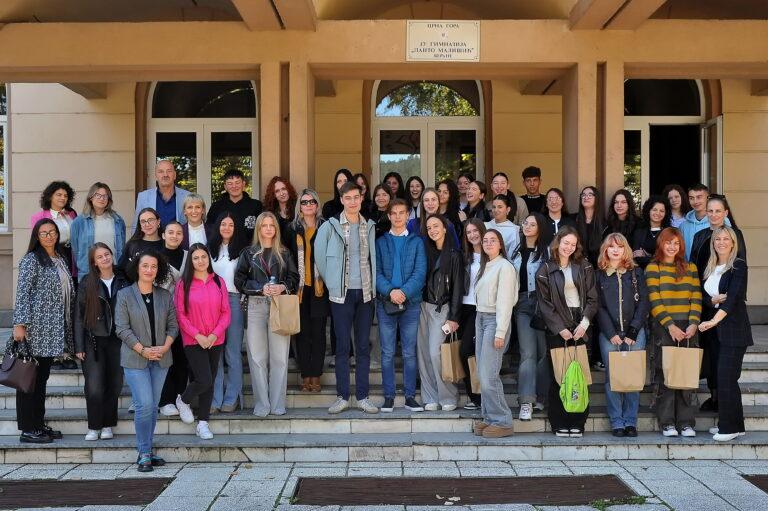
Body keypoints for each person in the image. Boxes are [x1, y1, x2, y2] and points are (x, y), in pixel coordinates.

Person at [315, 182, 379, 414]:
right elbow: (319, 258)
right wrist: (332, 283)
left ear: (361, 199)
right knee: (342, 347)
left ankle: (362, 396)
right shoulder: (330, 226)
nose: (352, 201)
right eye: (348, 198)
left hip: (365, 293)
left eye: (356, 197)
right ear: (341, 200)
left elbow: (373, 259)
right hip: (340, 295)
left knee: (362, 347)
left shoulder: (369, 226)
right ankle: (342, 396)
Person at [11, 219, 74, 443]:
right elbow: (22, 293)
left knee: (42, 379)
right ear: (37, 237)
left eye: (51, 232)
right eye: (43, 233)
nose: (48, 236)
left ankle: (38, 423)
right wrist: (19, 324)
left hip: (53, 330)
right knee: (28, 380)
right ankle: (28, 428)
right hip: (35, 329)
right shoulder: (32, 260)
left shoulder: (60, 259)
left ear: (57, 234)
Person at [115, 251, 177, 472]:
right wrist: (143, 350)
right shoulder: (124, 295)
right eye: (145, 266)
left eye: (153, 266)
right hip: (135, 359)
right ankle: (143, 452)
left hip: (161, 358)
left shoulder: (164, 295)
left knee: (152, 409)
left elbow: (173, 325)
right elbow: (121, 328)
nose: (149, 270)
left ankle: (147, 450)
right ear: (137, 268)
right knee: (145, 406)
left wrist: (165, 346)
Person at [235, 212, 299, 417]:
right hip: (255, 306)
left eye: (272, 225)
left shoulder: (284, 253)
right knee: (257, 357)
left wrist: (282, 286)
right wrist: (260, 288)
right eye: (265, 225)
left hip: (279, 305)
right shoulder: (248, 253)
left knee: (280, 357)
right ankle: (262, 403)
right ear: (259, 229)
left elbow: (294, 278)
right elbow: (240, 280)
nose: (269, 228)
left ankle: (277, 403)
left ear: (276, 229)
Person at [536, 226, 598, 437]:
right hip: (557, 326)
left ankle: (578, 422)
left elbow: (592, 297)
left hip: (580, 324)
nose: (569, 248)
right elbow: (544, 304)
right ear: (558, 242)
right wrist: (559, 328)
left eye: (573, 244)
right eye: (566, 243)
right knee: (559, 375)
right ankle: (559, 422)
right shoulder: (545, 269)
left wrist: (584, 324)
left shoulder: (584, 266)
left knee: (580, 375)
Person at [646, 227, 702, 438]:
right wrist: (670, 325)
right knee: (666, 374)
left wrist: (693, 323)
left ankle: (686, 422)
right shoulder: (653, 267)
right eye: (668, 242)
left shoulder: (691, 268)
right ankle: (667, 422)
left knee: (686, 375)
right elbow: (654, 299)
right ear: (661, 243)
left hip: (688, 327)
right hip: (664, 327)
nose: (672, 246)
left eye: (676, 243)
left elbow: (696, 297)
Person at [698, 226, 753, 442]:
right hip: (716, 334)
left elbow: (732, 300)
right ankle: (734, 424)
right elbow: (704, 296)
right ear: (713, 243)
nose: (721, 242)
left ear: (733, 242)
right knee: (725, 380)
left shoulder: (738, 266)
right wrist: (712, 300)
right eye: (717, 238)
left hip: (733, 331)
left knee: (726, 379)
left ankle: (728, 428)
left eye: (725, 239)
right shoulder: (712, 266)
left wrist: (712, 320)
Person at [692, 197, 747, 412]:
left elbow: (738, 272)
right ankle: (714, 395)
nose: (714, 214)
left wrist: (727, 297)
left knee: (725, 359)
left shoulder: (735, 236)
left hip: (727, 309)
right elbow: (696, 272)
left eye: (718, 211)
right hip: (707, 304)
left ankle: (724, 404)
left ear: (725, 212)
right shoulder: (700, 236)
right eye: (710, 211)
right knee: (711, 354)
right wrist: (706, 300)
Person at [174, 243, 231, 439]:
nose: (200, 261)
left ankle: (203, 423)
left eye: (203, 257)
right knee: (204, 378)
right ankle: (183, 400)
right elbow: (180, 314)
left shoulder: (218, 282)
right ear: (191, 261)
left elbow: (226, 312)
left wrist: (214, 334)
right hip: (193, 339)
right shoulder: (184, 284)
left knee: (210, 381)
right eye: (196, 258)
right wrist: (198, 335)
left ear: (209, 258)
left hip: (215, 339)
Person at [596, 233, 651, 438]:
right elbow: (598, 307)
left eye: (620, 246)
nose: (616, 250)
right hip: (610, 336)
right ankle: (616, 421)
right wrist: (611, 333)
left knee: (632, 378)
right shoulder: (599, 274)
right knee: (613, 379)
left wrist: (634, 331)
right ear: (606, 250)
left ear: (625, 249)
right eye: (611, 246)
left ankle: (630, 421)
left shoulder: (636, 272)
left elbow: (644, 303)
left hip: (634, 335)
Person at [74, 243, 130, 441]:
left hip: (118, 339)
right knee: (95, 386)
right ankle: (94, 426)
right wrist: (79, 346)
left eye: (107, 254)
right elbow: (79, 316)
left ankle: (107, 425)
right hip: (93, 340)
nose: (105, 258)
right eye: (100, 257)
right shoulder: (87, 282)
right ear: (94, 262)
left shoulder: (123, 279)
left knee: (114, 384)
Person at [375, 199, 427, 412]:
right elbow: (375, 271)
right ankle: (388, 396)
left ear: (408, 216)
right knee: (387, 352)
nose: (397, 216)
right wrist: (391, 291)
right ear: (389, 216)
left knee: (409, 352)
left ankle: (409, 396)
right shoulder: (380, 242)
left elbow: (420, 272)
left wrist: (404, 292)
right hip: (385, 303)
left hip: (411, 303)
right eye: (393, 213)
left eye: (401, 213)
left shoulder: (417, 242)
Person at [472, 229, 518, 438]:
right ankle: (489, 418)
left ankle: (502, 421)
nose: (488, 243)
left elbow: (506, 302)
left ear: (501, 244)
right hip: (480, 318)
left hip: (494, 321)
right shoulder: (486, 266)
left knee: (488, 374)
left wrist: (500, 331)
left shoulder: (505, 267)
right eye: (485, 240)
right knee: (482, 373)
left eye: (493, 240)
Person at [417, 214, 464, 412]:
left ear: (445, 228)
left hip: (441, 308)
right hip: (422, 307)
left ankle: (448, 395)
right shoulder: (425, 251)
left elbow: (458, 288)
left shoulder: (454, 254)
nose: (433, 230)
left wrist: (454, 316)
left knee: (437, 354)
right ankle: (430, 396)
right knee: (424, 354)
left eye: (436, 226)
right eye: (429, 228)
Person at [285, 189, 330, 394]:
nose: (309, 204)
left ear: (317, 204)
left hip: (321, 288)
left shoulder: (326, 227)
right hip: (299, 290)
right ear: (299, 207)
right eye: (304, 202)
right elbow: (286, 260)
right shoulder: (291, 229)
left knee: (319, 334)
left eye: (312, 201)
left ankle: (316, 375)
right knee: (302, 334)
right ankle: (305, 375)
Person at [510, 212, 550, 420]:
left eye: (532, 224)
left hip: (544, 305)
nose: (527, 226)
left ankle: (541, 396)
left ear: (540, 228)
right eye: (525, 222)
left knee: (544, 353)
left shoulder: (548, 252)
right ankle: (526, 400)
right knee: (528, 352)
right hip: (523, 304)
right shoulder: (515, 251)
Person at [209, 213, 248, 412]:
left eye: (231, 224)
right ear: (217, 227)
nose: (226, 227)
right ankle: (215, 399)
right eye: (223, 224)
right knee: (216, 352)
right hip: (212, 303)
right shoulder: (210, 250)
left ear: (236, 228)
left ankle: (232, 398)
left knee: (232, 352)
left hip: (234, 301)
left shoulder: (243, 251)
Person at [157, 220, 188, 416]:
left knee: (181, 357)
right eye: (170, 232)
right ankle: (164, 400)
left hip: (184, 313)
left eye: (178, 233)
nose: (174, 236)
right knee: (165, 356)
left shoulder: (188, 256)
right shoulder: (156, 257)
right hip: (162, 313)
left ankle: (180, 397)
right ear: (163, 235)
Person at [71, 182, 127, 281]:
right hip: (89, 273)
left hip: (114, 271)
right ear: (91, 198)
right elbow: (76, 250)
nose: (102, 198)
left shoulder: (117, 220)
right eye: (98, 195)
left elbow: (121, 247)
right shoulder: (79, 222)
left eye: (105, 196)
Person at [458, 219, 486, 410]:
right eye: (469, 232)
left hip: (482, 309)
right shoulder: (463, 257)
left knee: (473, 352)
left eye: (475, 230)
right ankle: (475, 394)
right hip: (464, 309)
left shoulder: (492, 255)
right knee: (466, 352)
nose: (473, 235)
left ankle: (479, 395)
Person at [31, 181, 78, 281]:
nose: (63, 198)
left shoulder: (71, 214)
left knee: (72, 286)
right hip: (53, 254)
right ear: (50, 196)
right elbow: (37, 241)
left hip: (72, 255)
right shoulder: (38, 217)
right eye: (59, 195)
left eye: (65, 195)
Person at [206, 169, 263, 243]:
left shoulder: (256, 205)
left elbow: (261, 230)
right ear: (225, 186)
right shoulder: (216, 207)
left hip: (250, 251)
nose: (234, 186)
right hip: (223, 251)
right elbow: (210, 230)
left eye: (237, 182)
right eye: (230, 183)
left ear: (243, 184)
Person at [133, 159, 191, 230]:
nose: (165, 175)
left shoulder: (187, 197)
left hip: (178, 240)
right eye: (161, 171)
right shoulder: (143, 197)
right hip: (152, 241)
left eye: (169, 171)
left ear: (174, 175)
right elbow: (136, 226)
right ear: (156, 176)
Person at [118, 208, 165, 274]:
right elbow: (120, 269)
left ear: (158, 221)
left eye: (150, 220)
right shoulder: (132, 245)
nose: (147, 224)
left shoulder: (166, 244)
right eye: (143, 221)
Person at [632, 196, 671, 269]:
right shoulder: (639, 232)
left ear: (666, 213)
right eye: (654, 210)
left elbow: (670, 258)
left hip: (665, 274)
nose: (658, 213)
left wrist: (647, 256)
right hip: (644, 275)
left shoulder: (670, 232)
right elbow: (637, 258)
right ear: (648, 211)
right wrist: (658, 257)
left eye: (662, 211)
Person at [575, 186, 605, 267]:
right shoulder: (574, 220)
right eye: (583, 195)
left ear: (596, 198)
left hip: (598, 267)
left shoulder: (605, 223)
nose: (586, 197)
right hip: (577, 265)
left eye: (590, 195)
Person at [680, 183, 712, 260]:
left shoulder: (719, 221)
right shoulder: (683, 226)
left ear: (708, 198)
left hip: (713, 270)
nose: (695, 201)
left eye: (699, 197)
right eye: (691, 198)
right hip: (690, 270)